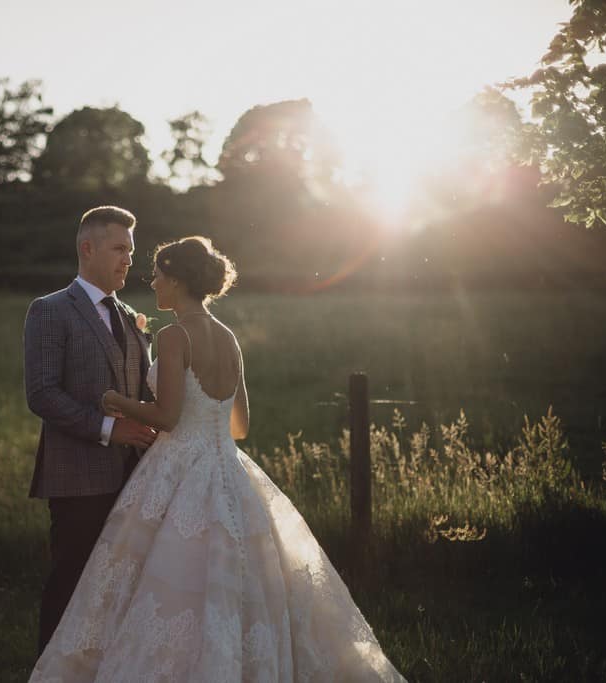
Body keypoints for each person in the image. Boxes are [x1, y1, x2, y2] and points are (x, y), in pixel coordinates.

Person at [30, 236, 406, 681]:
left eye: (157, 276)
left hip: (179, 465)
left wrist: (116, 400)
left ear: (176, 280)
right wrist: (203, 416)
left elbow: (167, 416)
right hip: (226, 465)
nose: (151, 283)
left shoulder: (173, 336)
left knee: (165, 576)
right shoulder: (229, 338)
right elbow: (240, 425)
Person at [24, 205, 157, 656]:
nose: (128, 260)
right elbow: (41, 393)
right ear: (88, 247)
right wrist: (108, 429)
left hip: (137, 478)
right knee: (71, 584)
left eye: (131, 252)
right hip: (77, 476)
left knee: (122, 587)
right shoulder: (50, 311)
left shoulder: (131, 317)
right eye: (120, 248)